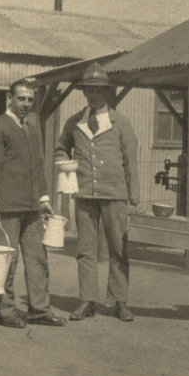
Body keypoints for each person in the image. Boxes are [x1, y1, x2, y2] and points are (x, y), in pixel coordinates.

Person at [54, 63, 140, 322]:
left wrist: (133, 197)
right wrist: (65, 164)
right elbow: (60, 148)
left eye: (99, 90)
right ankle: (86, 301)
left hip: (115, 195)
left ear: (107, 92)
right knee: (85, 249)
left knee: (118, 249)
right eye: (90, 90)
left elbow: (131, 161)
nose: (94, 95)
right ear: (84, 92)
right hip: (85, 195)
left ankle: (120, 301)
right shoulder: (74, 122)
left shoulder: (121, 123)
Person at [0, 79, 67, 328]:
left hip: (32, 209)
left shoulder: (31, 128)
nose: (26, 104)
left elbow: (38, 166)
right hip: (7, 208)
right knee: (6, 262)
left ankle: (39, 310)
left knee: (38, 260)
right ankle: (5, 312)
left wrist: (44, 198)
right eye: (21, 99)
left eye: (30, 99)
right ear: (10, 98)